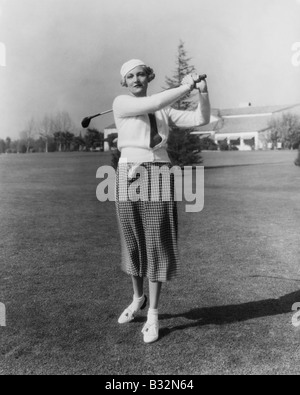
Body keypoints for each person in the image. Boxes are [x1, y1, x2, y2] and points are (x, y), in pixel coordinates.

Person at [113, 59, 211, 344]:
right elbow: (153, 103)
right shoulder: (121, 103)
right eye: (129, 76)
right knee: (132, 242)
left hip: (158, 172)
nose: (135, 79)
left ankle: (153, 314)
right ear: (124, 82)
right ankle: (137, 299)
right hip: (127, 173)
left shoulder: (163, 108)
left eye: (140, 74)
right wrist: (185, 85)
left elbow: (200, 119)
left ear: (148, 76)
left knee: (157, 241)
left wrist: (201, 92)